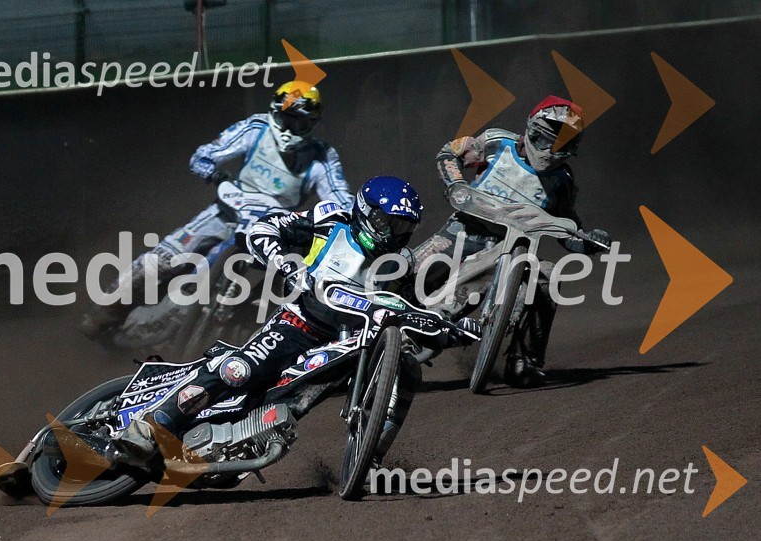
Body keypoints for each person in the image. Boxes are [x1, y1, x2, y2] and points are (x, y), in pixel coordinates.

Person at [115, 176, 481, 464]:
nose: (390, 234)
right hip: (300, 323)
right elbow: (263, 229)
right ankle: (152, 425)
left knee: (404, 372)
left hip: (349, 344)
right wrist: (283, 260)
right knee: (239, 371)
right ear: (366, 211)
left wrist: (452, 328)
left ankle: (370, 460)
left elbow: (411, 309)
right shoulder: (330, 220)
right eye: (386, 222)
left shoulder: (401, 264)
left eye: (401, 228)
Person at [80, 81, 354, 338]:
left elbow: (339, 196)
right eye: (288, 118)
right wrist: (216, 175)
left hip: (270, 228)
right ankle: (105, 312)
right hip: (227, 209)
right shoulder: (256, 128)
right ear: (275, 113)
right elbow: (204, 154)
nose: (291, 127)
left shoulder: (321, 157)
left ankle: (199, 331)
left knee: (259, 292)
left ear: (313, 123)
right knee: (161, 260)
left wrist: (351, 217)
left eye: (301, 121)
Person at [415, 96, 611, 388]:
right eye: (554, 140)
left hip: (514, 250)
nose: (558, 150)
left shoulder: (561, 182)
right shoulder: (496, 142)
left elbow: (568, 231)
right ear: (535, 130)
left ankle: (525, 360)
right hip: (463, 232)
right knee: (407, 273)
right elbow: (449, 152)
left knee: (547, 280)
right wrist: (456, 184)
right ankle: (357, 333)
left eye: (566, 143)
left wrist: (591, 241)